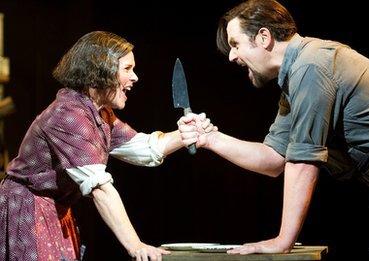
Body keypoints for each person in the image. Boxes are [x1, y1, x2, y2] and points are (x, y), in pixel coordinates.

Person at [178, 0, 369, 258]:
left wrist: (283, 241)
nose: (231, 56)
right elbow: (273, 159)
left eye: (235, 44)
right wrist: (209, 138)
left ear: (263, 37)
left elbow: (302, 162)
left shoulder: (311, 67)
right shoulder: (297, 78)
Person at [0, 31, 214, 261]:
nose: (135, 78)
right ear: (100, 70)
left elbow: (142, 147)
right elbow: (100, 188)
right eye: (127, 69)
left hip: (54, 211)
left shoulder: (99, 114)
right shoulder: (68, 115)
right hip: (27, 210)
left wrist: (183, 135)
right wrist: (135, 244)